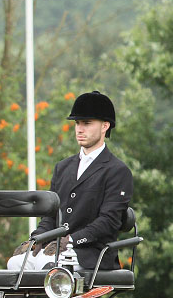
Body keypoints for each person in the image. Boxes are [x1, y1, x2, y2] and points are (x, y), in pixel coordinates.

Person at [8, 90, 133, 271]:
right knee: (16, 263)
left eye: (87, 123)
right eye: (77, 123)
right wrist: (36, 239)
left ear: (105, 126)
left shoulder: (118, 171)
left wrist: (71, 240)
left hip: (91, 252)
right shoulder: (62, 167)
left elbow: (108, 221)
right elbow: (50, 216)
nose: (79, 129)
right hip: (56, 248)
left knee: (47, 266)